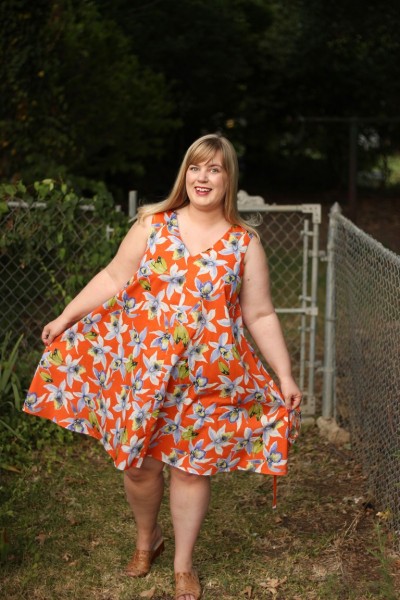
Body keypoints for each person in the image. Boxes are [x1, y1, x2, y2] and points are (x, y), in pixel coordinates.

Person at [24, 133, 301, 600]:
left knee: (191, 469)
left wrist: (285, 374)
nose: (203, 177)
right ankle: (146, 539)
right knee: (140, 467)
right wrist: (66, 316)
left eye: (214, 169)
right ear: (184, 174)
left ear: (228, 178)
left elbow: (260, 314)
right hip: (145, 371)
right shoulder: (154, 225)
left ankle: (183, 564)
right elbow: (114, 276)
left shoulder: (243, 243)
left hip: (207, 378)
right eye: (195, 167)